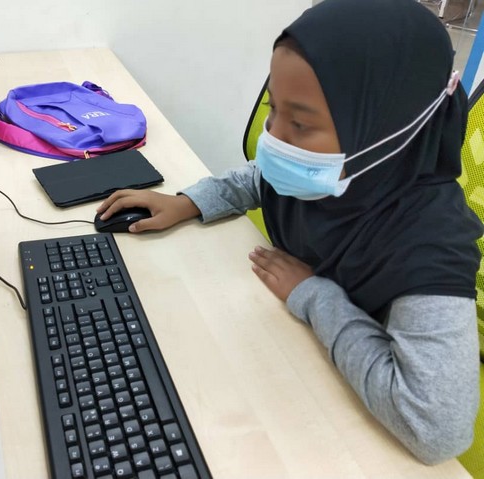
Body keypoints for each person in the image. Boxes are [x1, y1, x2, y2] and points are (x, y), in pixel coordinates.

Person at [97, 0, 483, 466]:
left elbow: (437, 430)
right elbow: (261, 177)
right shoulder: (335, 171)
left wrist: (313, 295)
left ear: (385, 128)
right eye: (273, 109)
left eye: (299, 124)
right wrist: (188, 202)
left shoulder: (429, 247)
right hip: (282, 360)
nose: (273, 139)